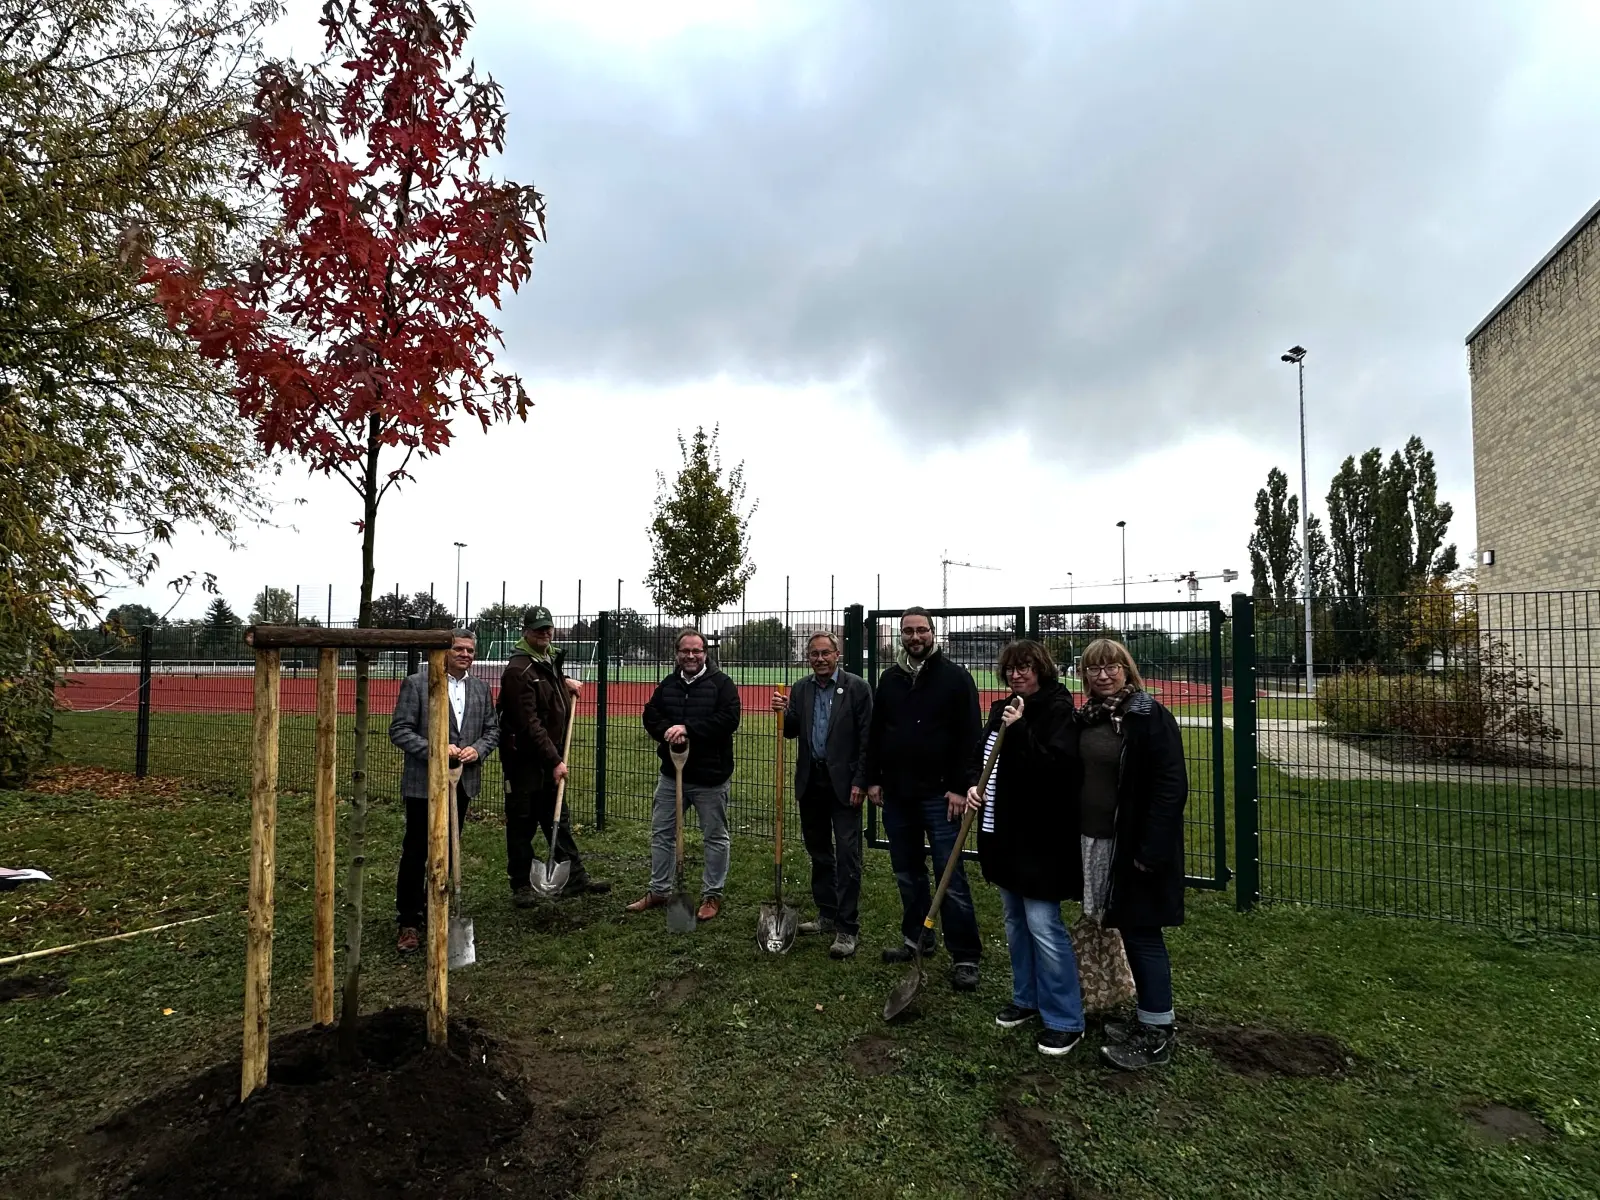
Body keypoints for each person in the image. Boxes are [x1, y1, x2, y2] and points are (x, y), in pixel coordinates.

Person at [966, 639, 1086, 1054]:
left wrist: (1017, 731)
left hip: (1041, 839)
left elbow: (1055, 769)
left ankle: (1066, 1018)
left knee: (1043, 925)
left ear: (1042, 668)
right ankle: (1026, 998)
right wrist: (974, 787)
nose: (1017, 674)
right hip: (1002, 833)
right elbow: (985, 758)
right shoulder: (1003, 708)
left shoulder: (1058, 709)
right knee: (1015, 920)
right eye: (1012, 668)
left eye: (1026, 667)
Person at [1074, 637, 1189, 1071]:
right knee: (1121, 922)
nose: (1102, 675)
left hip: (1137, 847)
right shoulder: (1089, 718)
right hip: (1100, 842)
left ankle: (1157, 1030)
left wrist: (1151, 848)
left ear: (1127, 669)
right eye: (1093, 669)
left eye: (1111, 667)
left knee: (1142, 931)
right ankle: (1146, 1017)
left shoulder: (1148, 717)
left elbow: (1170, 786)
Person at [865, 607, 984, 991]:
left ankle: (965, 955)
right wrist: (873, 779)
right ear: (900, 636)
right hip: (898, 794)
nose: (915, 637)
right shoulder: (890, 679)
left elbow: (971, 737)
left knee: (950, 876)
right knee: (908, 873)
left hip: (941, 795)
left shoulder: (955, 678)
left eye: (921, 630)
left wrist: (958, 786)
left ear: (933, 633)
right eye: (908, 631)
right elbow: (878, 733)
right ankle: (917, 938)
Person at [389, 628, 499, 953]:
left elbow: (492, 729)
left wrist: (478, 749)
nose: (466, 654)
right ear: (444, 653)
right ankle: (409, 920)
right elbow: (399, 730)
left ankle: (436, 906)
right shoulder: (417, 684)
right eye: (459, 649)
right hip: (424, 784)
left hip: (461, 782)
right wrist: (437, 749)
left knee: (449, 849)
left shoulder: (481, 689)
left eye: (470, 650)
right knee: (416, 851)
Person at [497, 605, 610, 906]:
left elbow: (548, 683)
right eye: (539, 630)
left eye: (548, 628)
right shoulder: (517, 671)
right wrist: (555, 760)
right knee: (522, 822)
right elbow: (529, 724)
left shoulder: (547, 660)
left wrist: (564, 681)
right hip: (524, 760)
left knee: (558, 819)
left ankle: (574, 876)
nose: (545, 633)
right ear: (526, 632)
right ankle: (520, 884)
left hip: (549, 756)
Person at [770, 631, 873, 959]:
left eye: (825, 653)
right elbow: (791, 730)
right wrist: (782, 712)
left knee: (847, 853)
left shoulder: (857, 688)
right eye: (814, 654)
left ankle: (847, 927)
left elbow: (868, 739)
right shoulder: (802, 689)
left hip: (845, 784)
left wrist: (861, 780)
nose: (819, 659)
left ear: (837, 653)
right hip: (811, 781)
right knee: (819, 851)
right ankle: (827, 913)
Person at [629, 628, 742, 920]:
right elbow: (650, 713)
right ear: (677, 654)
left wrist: (689, 729)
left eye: (697, 651)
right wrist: (665, 730)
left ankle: (711, 895)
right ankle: (660, 890)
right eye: (685, 651)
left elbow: (728, 720)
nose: (691, 656)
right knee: (662, 833)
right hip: (672, 774)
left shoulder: (722, 684)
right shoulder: (668, 685)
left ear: (705, 653)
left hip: (710, 778)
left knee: (715, 836)